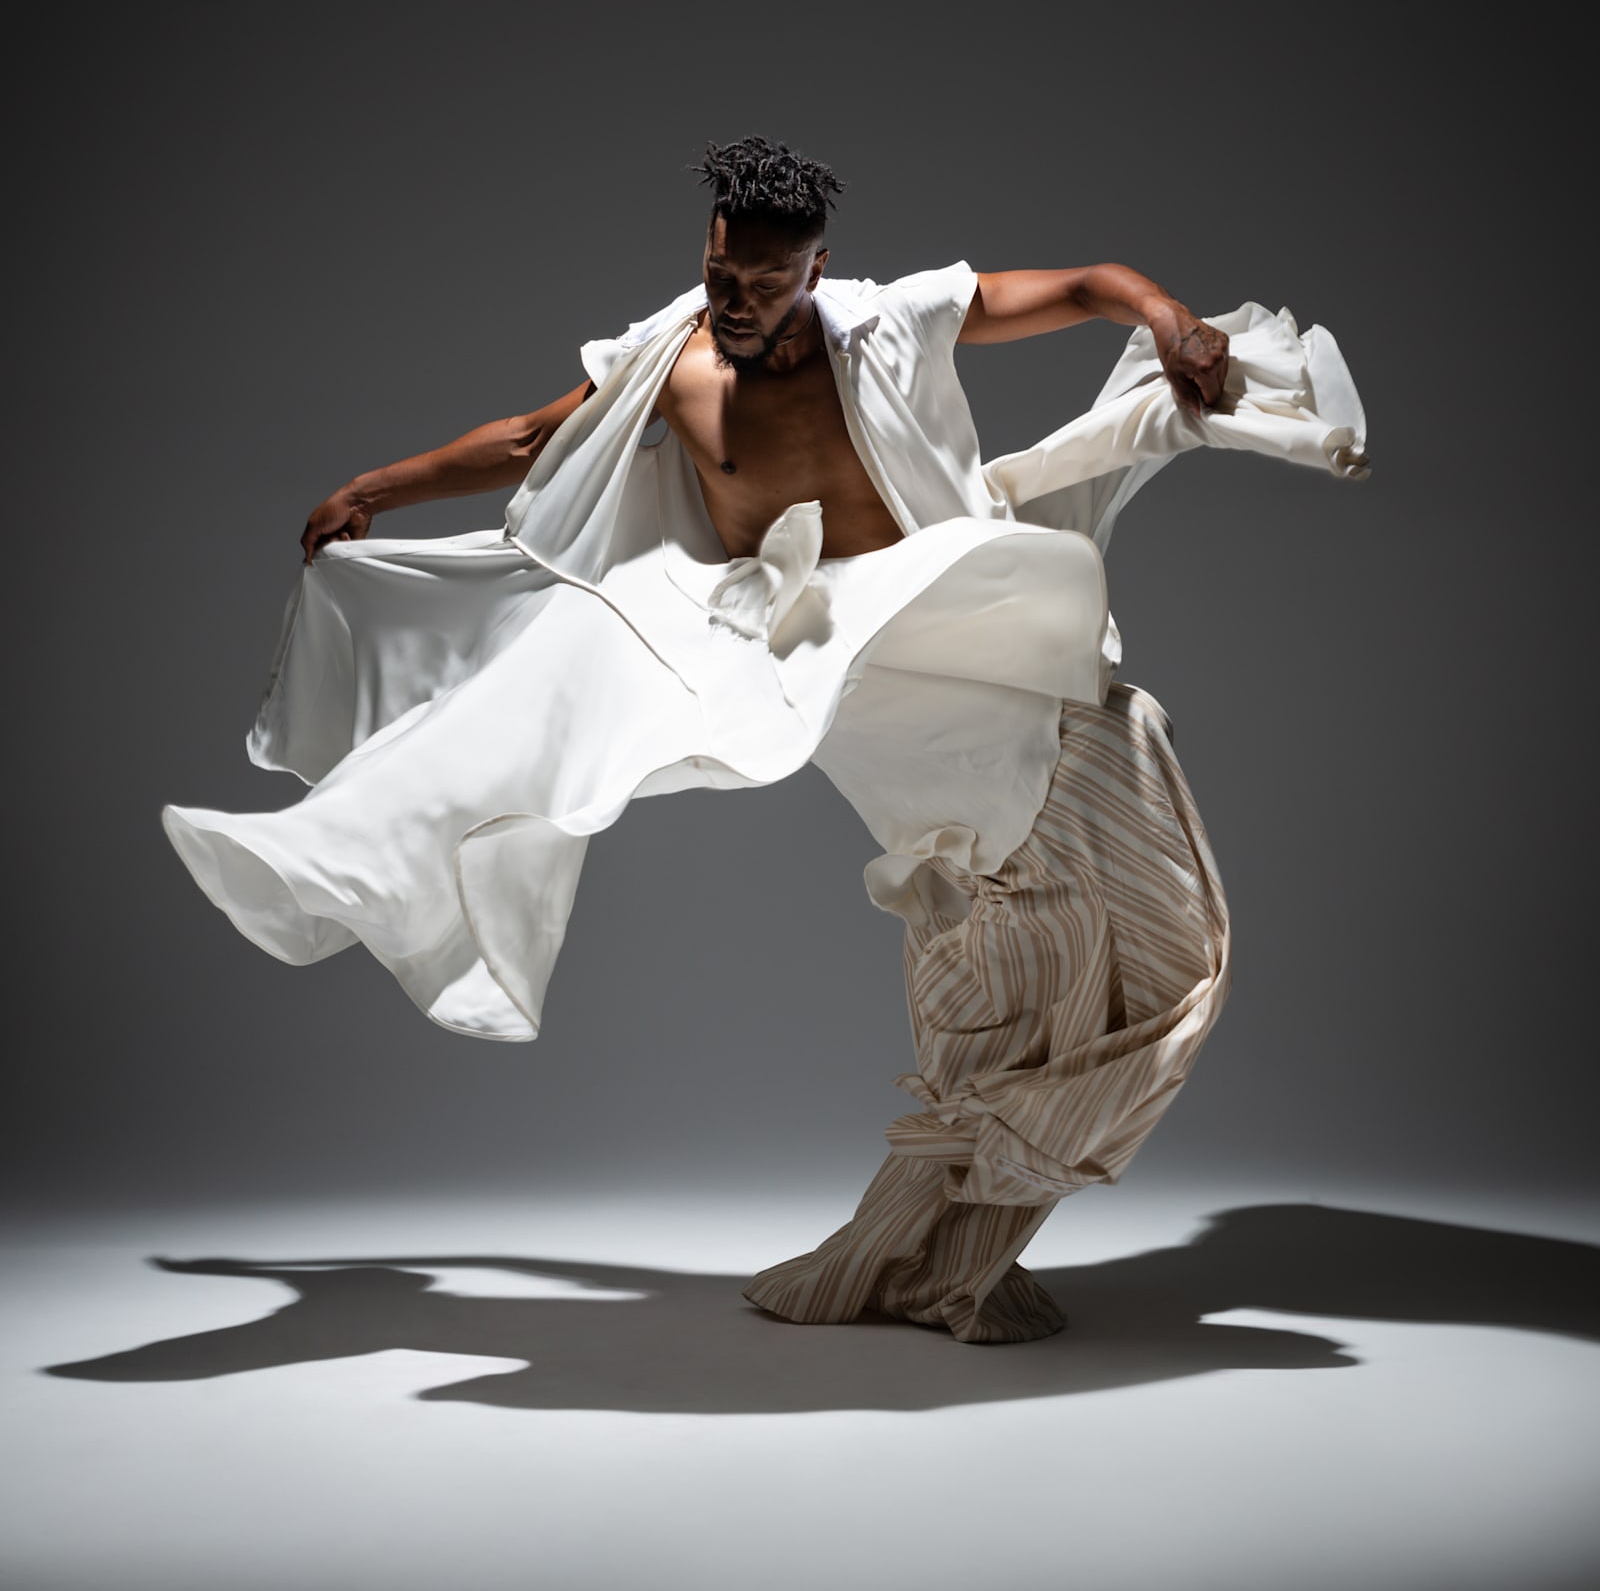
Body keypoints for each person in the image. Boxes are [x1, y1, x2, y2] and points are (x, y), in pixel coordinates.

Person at [164, 136, 1369, 1343]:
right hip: (829, 668)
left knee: (1110, 908)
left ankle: (945, 1243)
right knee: (538, 718)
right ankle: (326, 849)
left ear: (816, 270)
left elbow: (1085, 284)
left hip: (962, 622)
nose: (733, 301)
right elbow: (532, 439)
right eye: (719, 274)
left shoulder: (889, 319)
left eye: (763, 281)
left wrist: (1170, 322)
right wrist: (374, 486)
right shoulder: (668, 359)